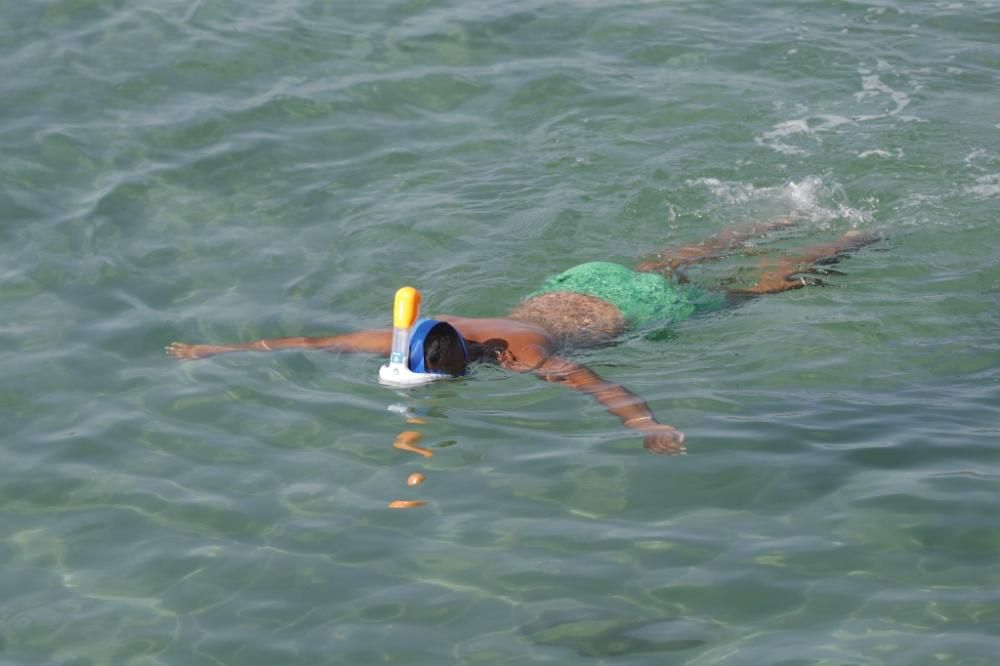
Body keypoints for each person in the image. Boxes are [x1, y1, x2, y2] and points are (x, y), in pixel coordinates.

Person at [167, 220, 879, 454]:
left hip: (635, 310)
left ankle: (847, 240)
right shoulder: (410, 332)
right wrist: (213, 352)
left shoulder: (524, 355)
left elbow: (601, 385)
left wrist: (648, 422)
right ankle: (771, 221)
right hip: (579, 278)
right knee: (678, 253)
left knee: (753, 292)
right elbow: (305, 343)